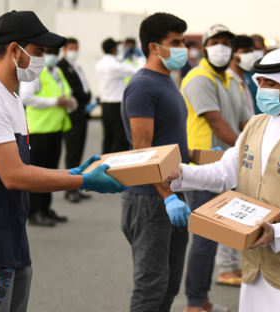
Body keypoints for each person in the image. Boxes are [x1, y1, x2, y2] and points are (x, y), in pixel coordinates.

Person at [0, 10, 125, 312]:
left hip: (11, 242)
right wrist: (82, 181)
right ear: (14, 50)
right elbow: (14, 175)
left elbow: (21, 168)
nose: (43, 59)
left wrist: (72, 170)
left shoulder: (12, 98)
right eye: (39, 51)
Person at [169, 48, 280, 312]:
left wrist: (278, 232)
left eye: (271, 84)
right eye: (260, 82)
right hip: (256, 269)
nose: (263, 89)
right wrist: (181, 173)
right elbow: (225, 173)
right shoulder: (255, 125)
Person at [120, 12, 191, 312]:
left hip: (173, 192)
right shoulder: (142, 86)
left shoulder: (167, 81)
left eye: (183, 41)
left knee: (170, 284)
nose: (182, 48)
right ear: (153, 47)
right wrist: (167, 197)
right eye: (174, 42)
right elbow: (142, 150)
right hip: (152, 198)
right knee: (151, 287)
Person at [181, 24, 251, 312]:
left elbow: (246, 122)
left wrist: (257, 143)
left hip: (227, 166)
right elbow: (216, 122)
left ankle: (202, 297)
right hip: (203, 167)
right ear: (207, 46)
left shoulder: (232, 82)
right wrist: (247, 150)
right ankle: (195, 302)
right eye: (216, 41)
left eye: (226, 42)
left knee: (216, 235)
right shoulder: (198, 77)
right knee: (205, 238)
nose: (221, 47)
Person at [19, 47, 77, 226]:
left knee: (50, 172)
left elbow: (65, 94)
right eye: (49, 52)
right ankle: (34, 211)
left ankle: (45, 208)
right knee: (38, 174)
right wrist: (54, 102)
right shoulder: (35, 74)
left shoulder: (57, 72)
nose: (53, 55)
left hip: (55, 128)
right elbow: (26, 97)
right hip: (39, 130)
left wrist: (70, 103)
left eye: (55, 52)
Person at [58, 37, 96, 203]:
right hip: (72, 113)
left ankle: (76, 185)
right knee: (72, 152)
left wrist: (89, 98)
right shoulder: (62, 67)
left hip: (82, 113)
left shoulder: (76, 66)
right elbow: (73, 90)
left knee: (79, 151)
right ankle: (70, 188)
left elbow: (84, 86)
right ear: (64, 50)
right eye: (71, 48)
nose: (74, 51)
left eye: (76, 48)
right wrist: (85, 96)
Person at [96, 38, 138, 154]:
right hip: (116, 105)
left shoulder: (100, 63)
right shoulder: (115, 65)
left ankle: (103, 161)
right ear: (114, 49)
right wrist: (138, 58)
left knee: (108, 137)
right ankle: (114, 164)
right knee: (120, 138)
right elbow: (136, 70)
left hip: (105, 104)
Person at [228, 35, 256, 115]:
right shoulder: (228, 81)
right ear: (233, 54)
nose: (250, 56)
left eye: (251, 51)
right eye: (245, 52)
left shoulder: (245, 81)